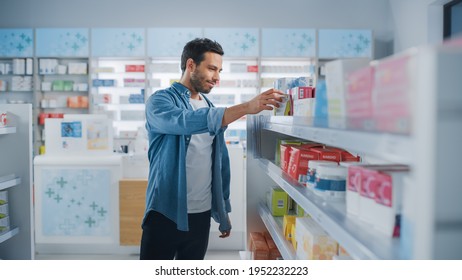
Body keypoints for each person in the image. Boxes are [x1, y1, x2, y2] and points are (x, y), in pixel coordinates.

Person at [140, 38, 284, 260]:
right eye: (212, 68)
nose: (217, 77)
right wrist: (246, 107)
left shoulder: (209, 107)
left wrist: (222, 211)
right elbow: (183, 121)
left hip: (201, 215)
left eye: (220, 71)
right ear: (190, 65)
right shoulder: (160, 102)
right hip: (165, 211)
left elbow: (219, 165)